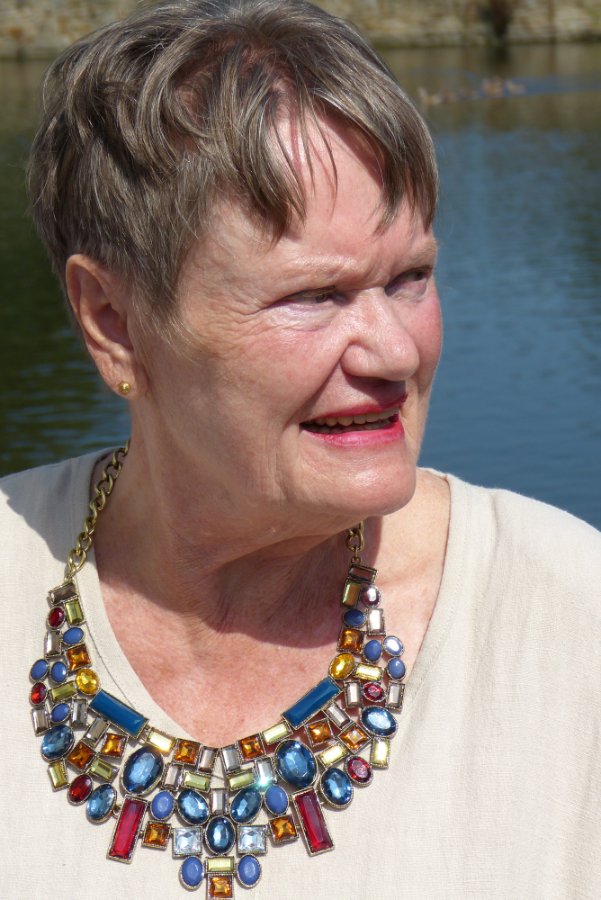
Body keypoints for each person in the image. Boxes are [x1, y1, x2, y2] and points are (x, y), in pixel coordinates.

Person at [2, 1, 600, 897]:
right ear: (114, 322)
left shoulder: (568, 621)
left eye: (410, 278)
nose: (394, 353)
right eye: (313, 297)